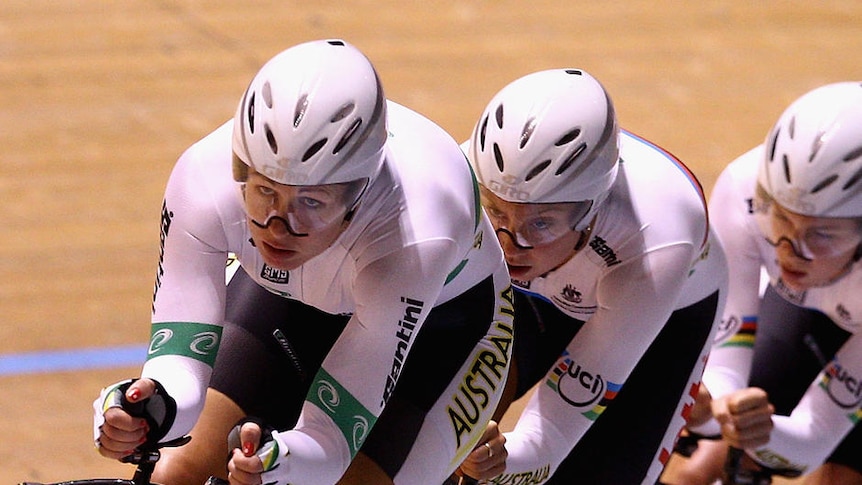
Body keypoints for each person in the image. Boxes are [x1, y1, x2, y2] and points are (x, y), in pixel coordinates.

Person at [91, 38, 514, 485]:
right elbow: (179, 364)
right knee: (176, 474)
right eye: (265, 191)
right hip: (291, 293)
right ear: (240, 168)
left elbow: (330, 445)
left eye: (311, 202)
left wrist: (279, 462)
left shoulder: (417, 234)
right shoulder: (202, 181)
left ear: (360, 193)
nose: (279, 225)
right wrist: (151, 410)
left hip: (440, 329)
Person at [461, 68, 729, 484]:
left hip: (658, 315)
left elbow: (552, 436)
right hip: (537, 295)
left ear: (592, 209)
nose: (511, 243)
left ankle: (710, 433)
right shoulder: (458, 180)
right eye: (495, 210)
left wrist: (503, 462)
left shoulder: (656, 237)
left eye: (542, 223)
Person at [669, 82, 862, 485]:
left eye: (822, 234)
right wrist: (711, 411)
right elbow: (725, 371)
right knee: (699, 470)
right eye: (783, 219)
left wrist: (765, 434)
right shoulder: (744, 191)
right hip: (810, 309)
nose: (792, 251)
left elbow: (813, 441)